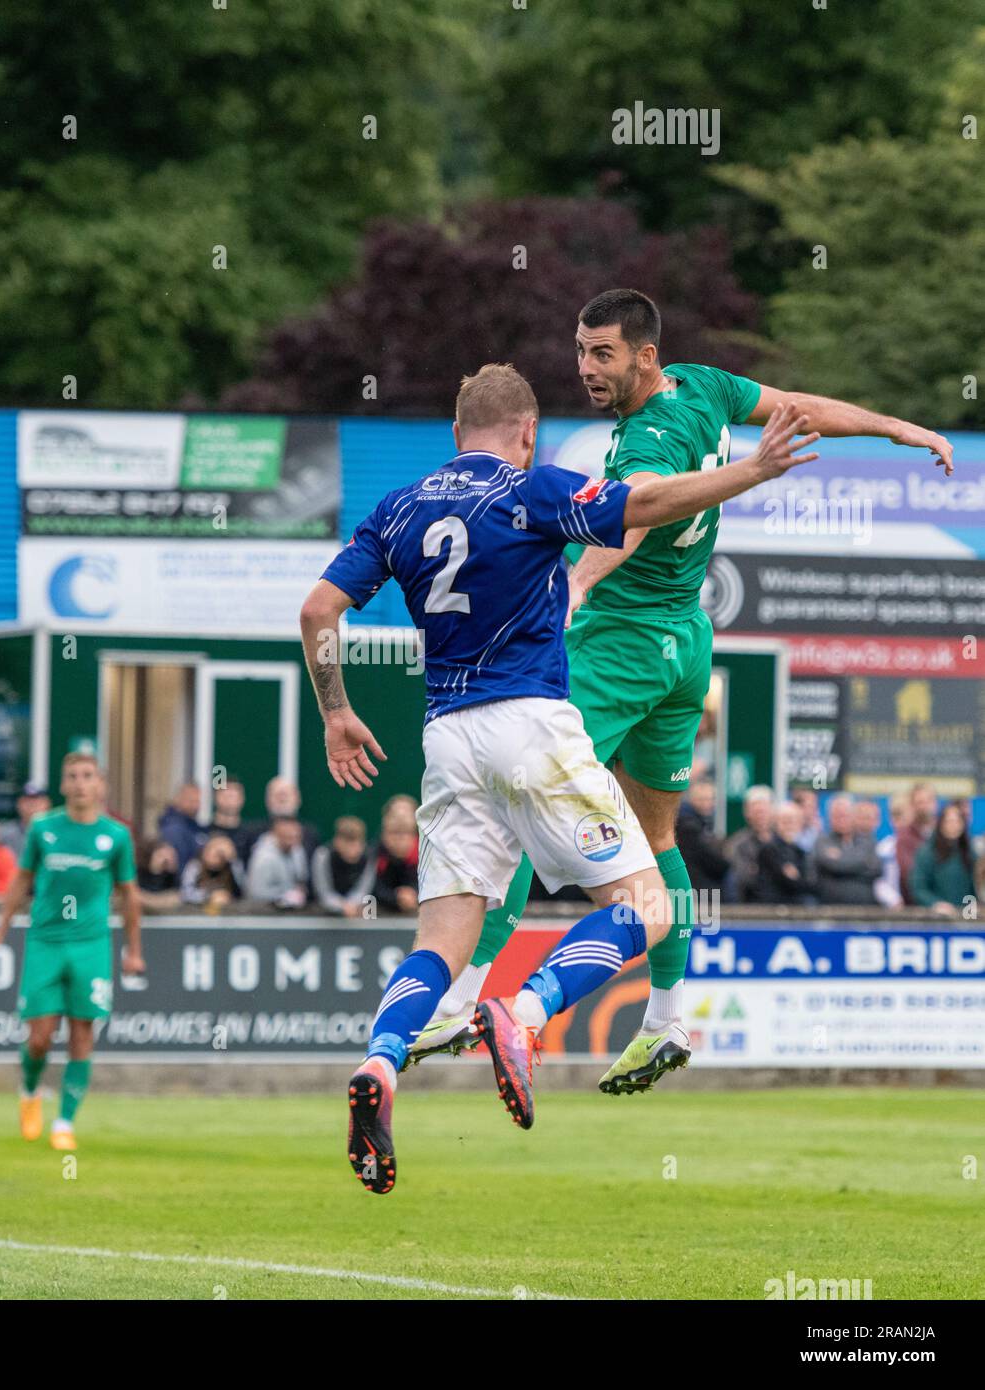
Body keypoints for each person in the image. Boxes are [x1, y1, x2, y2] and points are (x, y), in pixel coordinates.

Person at [413, 288, 951, 1097]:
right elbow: (798, 406)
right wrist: (895, 426)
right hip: (685, 647)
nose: (586, 367)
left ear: (644, 356)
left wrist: (574, 589)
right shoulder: (704, 386)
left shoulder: (643, 444)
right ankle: (666, 1021)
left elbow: (630, 522)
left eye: (603, 354)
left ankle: (459, 997)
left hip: (618, 649)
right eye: (581, 350)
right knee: (656, 841)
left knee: (514, 812)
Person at [301, 362, 817, 1192]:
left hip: (446, 736)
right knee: (646, 904)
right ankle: (527, 1012)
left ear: (454, 433)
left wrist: (336, 711)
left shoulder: (398, 508)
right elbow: (639, 508)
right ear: (527, 433)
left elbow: (319, 611)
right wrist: (750, 471)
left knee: (439, 940)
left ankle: (381, 1062)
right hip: (530, 723)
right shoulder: (533, 490)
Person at [0, 753, 142, 1152]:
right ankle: (31, 1090)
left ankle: (65, 1121)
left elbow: (129, 895)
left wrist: (134, 951)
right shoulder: (44, 828)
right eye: (72, 776)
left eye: (88, 775)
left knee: (82, 1034)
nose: (80, 783)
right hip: (45, 943)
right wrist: (1, 927)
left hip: (91, 946)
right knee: (39, 1037)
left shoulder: (116, 836)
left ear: (100, 783)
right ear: (64, 784)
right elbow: (22, 880)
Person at [909, 803, 976, 917]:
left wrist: (973, 907)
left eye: (957, 821)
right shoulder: (927, 853)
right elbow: (918, 888)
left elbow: (974, 889)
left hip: (965, 918)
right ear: (940, 823)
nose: (953, 825)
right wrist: (935, 904)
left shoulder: (969, 852)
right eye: (949, 821)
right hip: (935, 919)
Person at [813, 795, 881, 906]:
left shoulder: (868, 841)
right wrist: (862, 863)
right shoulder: (822, 841)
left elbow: (877, 870)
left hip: (865, 910)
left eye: (845, 815)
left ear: (854, 816)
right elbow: (832, 865)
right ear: (829, 818)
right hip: (831, 909)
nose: (841, 820)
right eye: (837, 816)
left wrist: (840, 862)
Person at [754, 801, 817, 906]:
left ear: (801, 823)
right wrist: (802, 880)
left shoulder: (801, 851)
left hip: (796, 909)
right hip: (772, 912)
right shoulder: (769, 849)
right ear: (776, 823)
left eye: (794, 821)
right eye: (785, 821)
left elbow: (813, 883)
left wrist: (801, 879)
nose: (790, 825)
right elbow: (790, 882)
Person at [674, 778, 729, 895]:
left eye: (710, 799)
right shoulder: (688, 827)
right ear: (691, 800)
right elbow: (712, 861)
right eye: (701, 799)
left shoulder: (702, 824)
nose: (706, 804)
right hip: (697, 888)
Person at [312, 817, 376, 918]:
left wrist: (352, 904)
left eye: (357, 843)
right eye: (348, 843)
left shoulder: (369, 857)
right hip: (325, 912)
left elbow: (363, 889)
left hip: (356, 910)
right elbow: (323, 891)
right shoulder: (322, 855)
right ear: (337, 841)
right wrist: (341, 906)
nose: (354, 849)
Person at [244, 777, 320, 861]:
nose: (282, 799)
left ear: (298, 799)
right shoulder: (251, 833)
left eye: (286, 794)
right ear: (267, 800)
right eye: (277, 795)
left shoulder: (310, 833)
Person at [723, 785, 775, 903]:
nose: (760, 816)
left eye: (763, 811)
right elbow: (741, 875)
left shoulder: (781, 840)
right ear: (747, 813)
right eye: (756, 812)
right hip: (750, 900)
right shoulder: (736, 843)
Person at [245, 817, 310, 908]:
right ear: (275, 835)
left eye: (296, 836)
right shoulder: (263, 857)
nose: (292, 840)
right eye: (287, 836)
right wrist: (285, 895)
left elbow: (301, 879)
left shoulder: (298, 850)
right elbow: (256, 892)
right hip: (262, 911)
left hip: (290, 910)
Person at [373, 805, 420, 915]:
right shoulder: (374, 854)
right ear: (384, 834)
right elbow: (372, 888)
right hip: (381, 911)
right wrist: (396, 897)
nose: (400, 840)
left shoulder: (424, 855)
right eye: (394, 833)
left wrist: (413, 895)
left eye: (406, 833)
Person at [897, 782, 937, 904]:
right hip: (916, 907)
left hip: (948, 905)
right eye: (920, 802)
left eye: (928, 801)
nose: (925, 806)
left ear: (935, 803)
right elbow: (910, 874)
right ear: (912, 806)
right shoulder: (904, 837)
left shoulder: (945, 834)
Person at [180, 834, 242, 911]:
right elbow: (185, 894)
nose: (216, 855)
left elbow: (243, 890)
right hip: (199, 912)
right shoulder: (195, 866)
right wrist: (209, 896)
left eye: (220, 853)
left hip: (229, 913)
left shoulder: (231, 866)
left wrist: (233, 859)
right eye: (213, 849)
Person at [156, 782, 205, 875]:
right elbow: (179, 867)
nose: (195, 805)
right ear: (177, 799)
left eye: (197, 801)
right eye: (191, 800)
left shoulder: (193, 826)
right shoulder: (173, 829)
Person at [204, 779, 256, 865]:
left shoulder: (250, 838)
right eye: (225, 795)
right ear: (215, 797)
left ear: (242, 799)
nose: (230, 799)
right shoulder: (203, 834)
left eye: (234, 795)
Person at [0, 782, 52, 859]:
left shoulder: (57, 833)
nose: (32, 806)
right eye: (27, 801)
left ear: (47, 804)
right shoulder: (4, 834)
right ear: (18, 804)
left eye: (37, 802)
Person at [136, 838, 180, 911]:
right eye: (161, 855)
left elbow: (176, 899)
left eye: (171, 856)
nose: (166, 859)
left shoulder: (171, 876)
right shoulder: (138, 873)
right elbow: (134, 896)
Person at [790, 787, 822, 854]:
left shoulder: (815, 829)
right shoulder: (788, 829)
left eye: (815, 807)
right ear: (798, 807)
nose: (814, 811)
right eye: (810, 806)